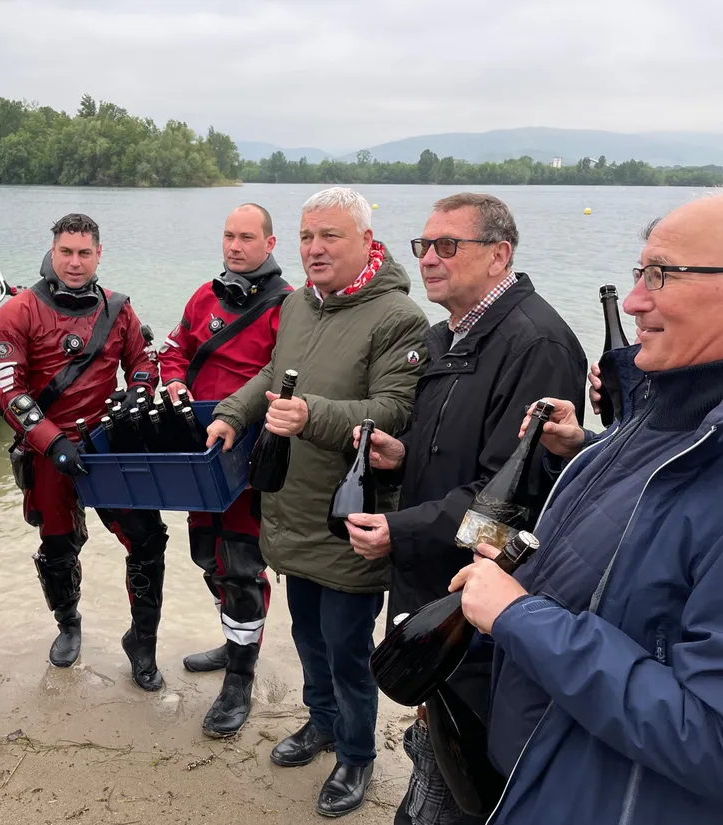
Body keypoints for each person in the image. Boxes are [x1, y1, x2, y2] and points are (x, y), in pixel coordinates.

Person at [450, 194, 723, 825]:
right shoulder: (663, 408)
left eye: (662, 274)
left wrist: (520, 616)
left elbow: (710, 737)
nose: (631, 302)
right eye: (637, 274)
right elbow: (654, 518)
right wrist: (587, 450)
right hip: (543, 765)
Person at [341, 193, 586, 825]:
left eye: (448, 246)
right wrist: (404, 454)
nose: (427, 259)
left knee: (470, 763)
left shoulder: (537, 344)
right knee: (436, 738)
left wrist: (399, 530)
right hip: (435, 585)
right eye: (423, 246)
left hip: (480, 599)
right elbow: (461, 449)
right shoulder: (448, 334)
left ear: (499, 254)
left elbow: (506, 505)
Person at [207, 187, 429, 817]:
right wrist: (233, 413)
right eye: (307, 237)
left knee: (348, 650)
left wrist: (313, 416)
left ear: (365, 240)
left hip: (347, 514)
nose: (314, 249)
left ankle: (357, 757)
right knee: (307, 635)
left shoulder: (397, 316)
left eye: (329, 236)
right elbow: (272, 376)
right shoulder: (301, 304)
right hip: (291, 504)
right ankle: (321, 723)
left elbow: (397, 411)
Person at [0, 213, 169, 692]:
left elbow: (144, 363)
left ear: (98, 254)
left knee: (148, 541)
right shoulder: (18, 311)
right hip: (51, 450)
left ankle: (143, 642)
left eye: (84, 253)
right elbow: (7, 388)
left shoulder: (119, 309)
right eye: (66, 252)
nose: (74, 262)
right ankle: (68, 624)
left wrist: (141, 392)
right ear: (53, 250)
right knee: (59, 547)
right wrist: (51, 442)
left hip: (109, 447)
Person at [157, 203, 290, 737]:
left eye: (247, 238)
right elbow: (174, 348)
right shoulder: (203, 296)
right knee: (205, 554)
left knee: (240, 563)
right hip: (198, 448)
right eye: (229, 237)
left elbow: (286, 377)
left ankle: (240, 677)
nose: (235, 247)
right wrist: (172, 382)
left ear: (270, 243)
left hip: (247, 455)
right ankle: (239, 636)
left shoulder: (289, 307)